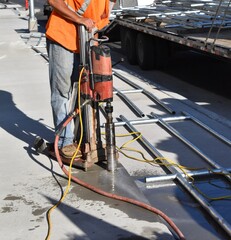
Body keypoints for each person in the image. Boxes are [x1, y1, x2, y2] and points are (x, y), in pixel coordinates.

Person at [46, 0, 115, 158]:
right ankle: (66, 140)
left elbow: (97, 21)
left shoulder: (109, 2)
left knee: (86, 90)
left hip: (85, 40)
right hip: (62, 37)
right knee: (62, 91)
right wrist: (79, 20)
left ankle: (86, 137)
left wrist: (94, 45)